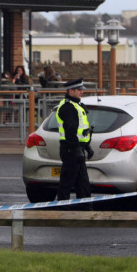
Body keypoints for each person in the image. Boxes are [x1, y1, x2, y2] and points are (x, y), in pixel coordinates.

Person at [55, 78, 94, 210]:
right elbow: (70, 132)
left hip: (77, 148)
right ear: (71, 91)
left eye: (82, 89)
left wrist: (87, 146)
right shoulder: (67, 107)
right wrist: (77, 149)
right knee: (67, 182)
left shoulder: (76, 105)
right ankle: (62, 210)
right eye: (79, 90)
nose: (82, 92)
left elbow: (81, 131)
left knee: (82, 183)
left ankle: (86, 209)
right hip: (71, 149)